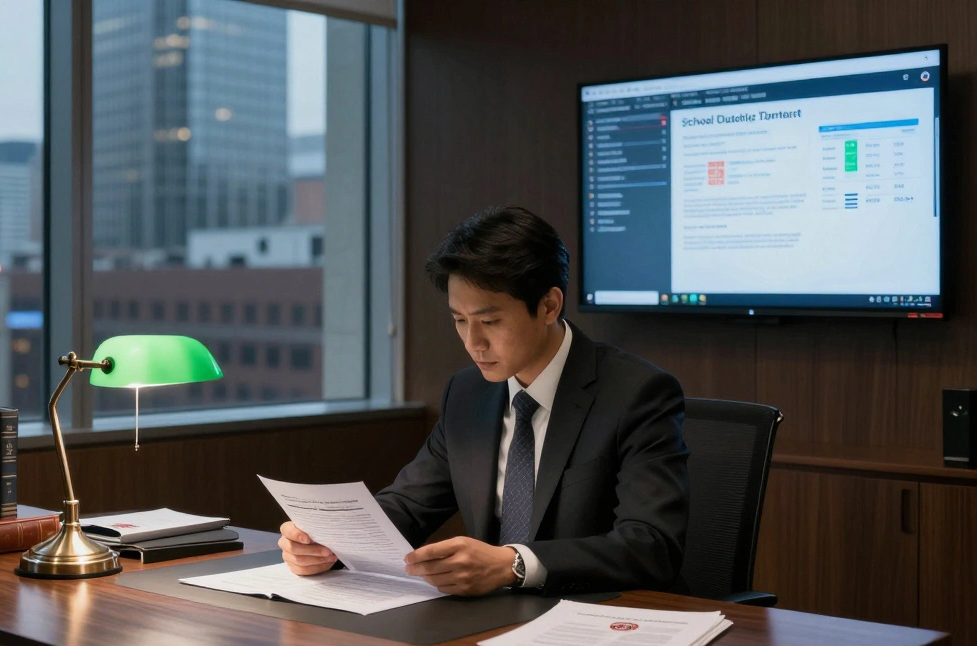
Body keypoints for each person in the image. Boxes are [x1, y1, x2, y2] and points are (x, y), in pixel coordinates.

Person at [279, 206, 690, 596]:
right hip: (486, 624)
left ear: (548, 306)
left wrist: (514, 565)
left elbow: (650, 544)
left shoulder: (636, 394)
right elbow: (409, 505)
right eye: (460, 320)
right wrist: (329, 543)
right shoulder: (468, 393)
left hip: (595, 618)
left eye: (490, 321)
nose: (473, 343)